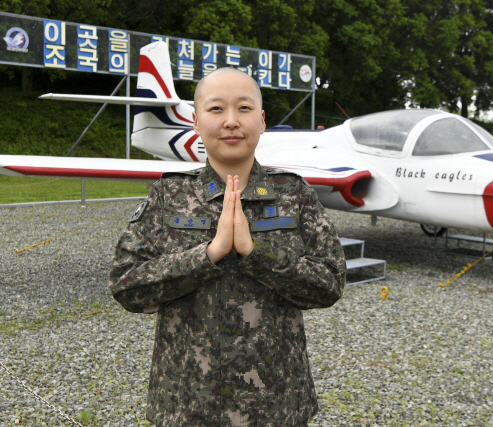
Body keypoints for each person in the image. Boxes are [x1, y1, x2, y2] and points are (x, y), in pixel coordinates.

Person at [109, 67, 346, 426]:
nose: (231, 121)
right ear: (195, 121)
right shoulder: (168, 195)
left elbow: (329, 284)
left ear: (262, 120)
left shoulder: (294, 194)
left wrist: (257, 254)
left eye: (244, 109)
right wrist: (208, 255)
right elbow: (127, 286)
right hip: (187, 405)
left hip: (276, 404)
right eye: (216, 109)